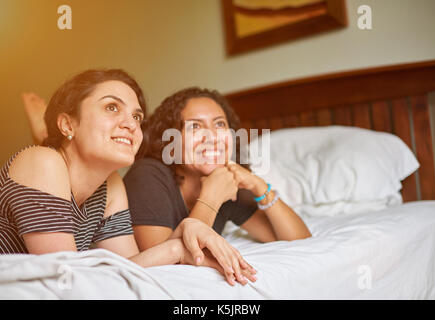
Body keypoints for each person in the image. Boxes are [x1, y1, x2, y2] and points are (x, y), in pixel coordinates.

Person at [0, 70, 256, 286]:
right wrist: (177, 246)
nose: (131, 124)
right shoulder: (40, 161)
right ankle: (44, 133)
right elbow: (67, 279)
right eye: (111, 107)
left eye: (137, 116)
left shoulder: (112, 183)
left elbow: (128, 266)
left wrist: (186, 231)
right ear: (68, 124)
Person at [123, 87, 311, 253]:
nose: (212, 136)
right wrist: (211, 196)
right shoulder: (147, 175)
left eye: (220, 124)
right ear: (171, 143)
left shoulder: (226, 182)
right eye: (195, 126)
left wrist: (259, 186)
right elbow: (163, 263)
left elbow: (300, 240)